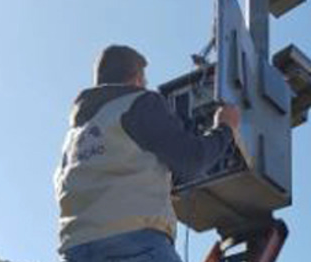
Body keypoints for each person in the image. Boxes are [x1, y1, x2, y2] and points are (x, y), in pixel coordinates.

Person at [54, 45, 240, 262]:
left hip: (74, 250)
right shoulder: (139, 102)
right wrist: (225, 129)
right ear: (136, 79)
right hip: (134, 243)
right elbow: (192, 160)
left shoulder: (74, 137)